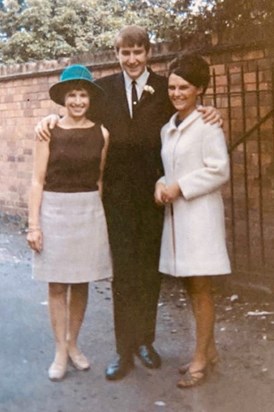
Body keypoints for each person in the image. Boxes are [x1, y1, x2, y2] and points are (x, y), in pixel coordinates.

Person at [35, 25, 222, 381]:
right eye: (125, 53)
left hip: (154, 194)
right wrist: (47, 119)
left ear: (148, 53)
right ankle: (123, 350)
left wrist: (212, 111)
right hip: (115, 197)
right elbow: (76, 116)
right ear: (117, 54)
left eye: (138, 52)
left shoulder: (166, 87)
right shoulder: (103, 89)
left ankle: (144, 342)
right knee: (123, 274)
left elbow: (188, 108)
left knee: (148, 272)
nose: (132, 59)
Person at [27, 64, 112, 381]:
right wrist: (34, 225)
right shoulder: (46, 131)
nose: (77, 101)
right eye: (72, 94)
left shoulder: (102, 133)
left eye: (83, 94)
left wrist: (95, 217)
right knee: (58, 284)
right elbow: (36, 180)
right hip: (54, 211)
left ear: (90, 98)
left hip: (87, 211)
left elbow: (99, 179)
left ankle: (74, 344)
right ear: (63, 98)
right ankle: (59, 351)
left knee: (81, 282)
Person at [154, 53, 231, 388]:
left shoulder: (208, 125)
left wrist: (179, 187)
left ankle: (200, 359)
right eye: (172, 87)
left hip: (199, 218)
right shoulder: (167, 129)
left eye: (184, 87)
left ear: (199, 88)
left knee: (200, 288)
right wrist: (161, 184)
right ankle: (209, 350)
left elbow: (219, 171)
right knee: (188, 285)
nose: (176, 93)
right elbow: (168, 170)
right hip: (177, 219)